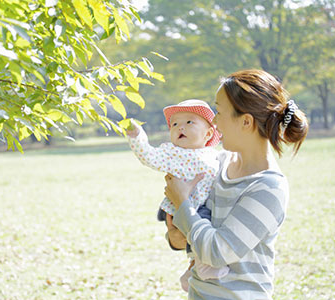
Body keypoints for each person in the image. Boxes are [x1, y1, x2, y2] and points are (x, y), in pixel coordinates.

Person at [164, 69, 309, 299]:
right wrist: (175, 235)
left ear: (245, 121)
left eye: (219, 112)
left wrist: (182, 203)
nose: (213, 120)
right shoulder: (217, 164)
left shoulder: (269, 188)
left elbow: (217, 252)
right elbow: (187, 233)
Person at [126, 99, 229, 291]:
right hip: (183, 207)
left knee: (208, 224)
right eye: (175, 124)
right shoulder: (172, 153)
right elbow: (149, 156)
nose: (180, 127)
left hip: (204, 205)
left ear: (208, 133)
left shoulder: (215, 155)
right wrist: (137, 136)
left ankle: (194, 267)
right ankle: (201, 265)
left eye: (189, 122)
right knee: (201, 226)